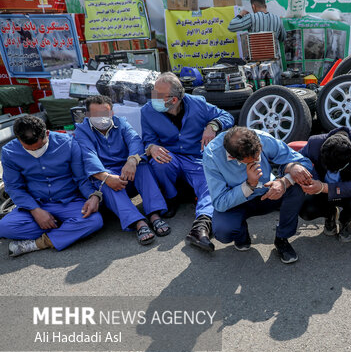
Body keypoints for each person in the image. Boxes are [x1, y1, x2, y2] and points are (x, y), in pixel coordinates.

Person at [142, 72, 234, 252]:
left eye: (158, 94)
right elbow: (147, 139)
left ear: (174, 99)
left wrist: (212, 125)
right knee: (160, 163)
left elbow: (226, 116)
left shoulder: (197, 103)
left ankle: (201, 225)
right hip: (172, 156)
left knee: (210, 185)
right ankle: (171, 198)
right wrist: (152, 148)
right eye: (154, 91)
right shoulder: (147, 111)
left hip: (197, 158)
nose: (153, 97)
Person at [203, 127, 314, 264]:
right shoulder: (212, 156)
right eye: (253, 160)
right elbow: (219, 202)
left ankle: (282, 239)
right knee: (223, 231)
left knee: (296, 186)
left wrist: (285, 181)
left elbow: (305, 163)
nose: (258, 161)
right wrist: (249, 184)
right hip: (237, 202)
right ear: (232, 157)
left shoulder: (261, 138)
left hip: (268, 192)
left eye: (259, 155)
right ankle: (241, 235)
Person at [0, 115, 103, 257]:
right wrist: (36, 211)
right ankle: (67, 228)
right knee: (4, 227)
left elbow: (81, 179)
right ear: (19, 140)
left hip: (69, 201)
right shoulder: (9, 153)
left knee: (94, 221)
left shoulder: (68, 143)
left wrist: (93, 196)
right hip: (36, 204)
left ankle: (37, 244)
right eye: (28, 149)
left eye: (40, 146)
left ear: (47, 133)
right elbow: (14, 187)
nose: (36, 152)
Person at [75, 95, 170, 246]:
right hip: (105, 173)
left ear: (112, 112)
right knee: (107, 181)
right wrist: (107, 176)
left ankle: (154, 214)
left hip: (128, 171)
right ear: (88, 115)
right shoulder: (82, 131)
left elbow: (134, 140)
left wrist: (132, 160)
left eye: (105, 113)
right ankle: (138, 223)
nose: (101, 118)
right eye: (96, 114)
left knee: (143, 167)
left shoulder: (122, 123)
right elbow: (88, 157)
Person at [298, 127, 351, 243]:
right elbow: (297, 160)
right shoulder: (314, 143)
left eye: (337, 169)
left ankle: (344, 220)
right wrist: (309, 179)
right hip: (320, 192)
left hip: (348, 192)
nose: (333, 172)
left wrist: (323, 187)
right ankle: (330, 214)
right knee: (305, 209)